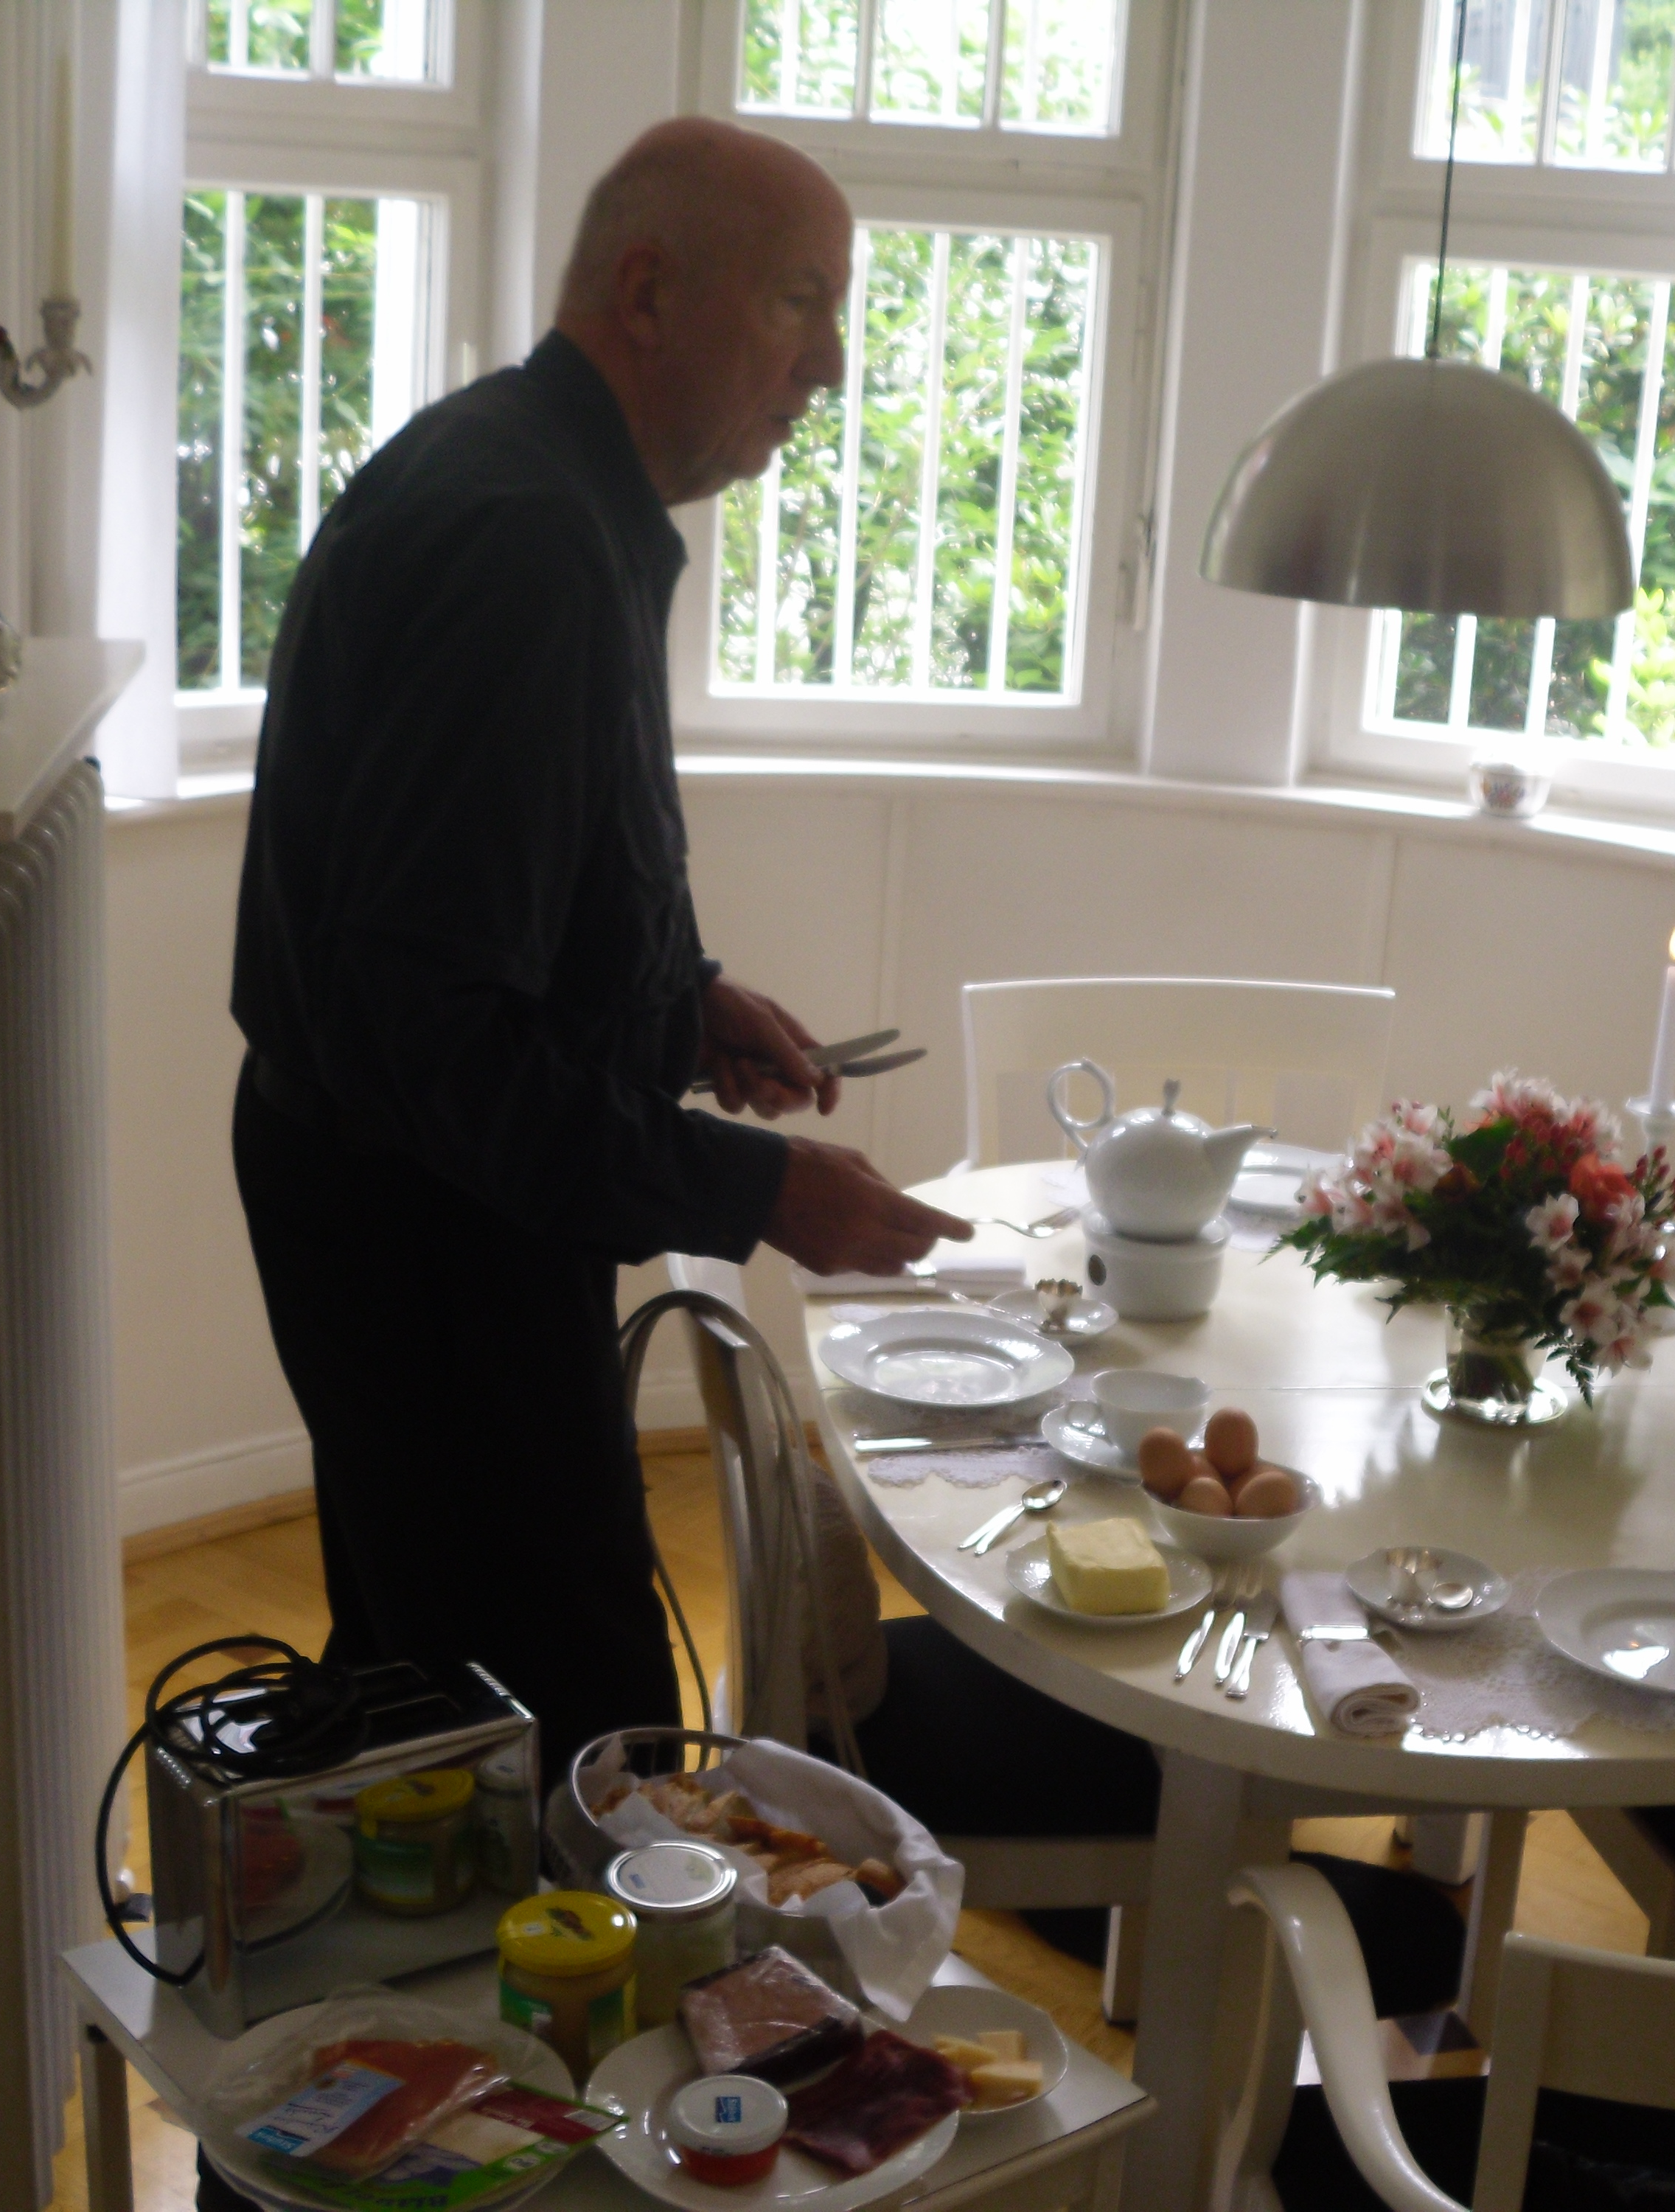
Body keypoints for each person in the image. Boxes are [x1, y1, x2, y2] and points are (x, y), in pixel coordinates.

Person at [228, 116, 972, 1804]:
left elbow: (503, 885)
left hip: (424, 1203)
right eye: (797, 303)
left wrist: (677, 1001)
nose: (829, 368)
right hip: (430, 1238)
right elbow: (430, 1035)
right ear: (645, 292)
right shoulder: (523, 543)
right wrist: (758, 1190)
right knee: (563, 1728)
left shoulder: (541, 487)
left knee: (448, 1682)